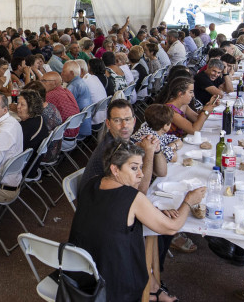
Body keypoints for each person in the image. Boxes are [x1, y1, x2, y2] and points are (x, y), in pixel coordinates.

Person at [69, 141, 205, 302]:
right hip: (114, 282)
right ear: (115, 169)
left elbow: (112, 215)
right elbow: (172, 228)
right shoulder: (132, 198)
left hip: (80, 271)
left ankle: (154, 288)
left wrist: (153, 213)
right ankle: (152, 289)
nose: (140, 174)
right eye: (134, 168)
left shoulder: (93, 182)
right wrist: (189, 200)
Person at [16, 89, 50, 178]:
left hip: (22, 169)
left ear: (31, 107)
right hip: (32, 165)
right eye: (18, 103)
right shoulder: (39, 118)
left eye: (22, 105)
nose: (18, 107)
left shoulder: (26, 127)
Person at [63, 61, 92, 137]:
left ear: (72, 73)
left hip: (78, 128)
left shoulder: (73, 86)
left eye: (63, 71)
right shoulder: (80, 81)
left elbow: (63, 107)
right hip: (85, 124)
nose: (61, 74)